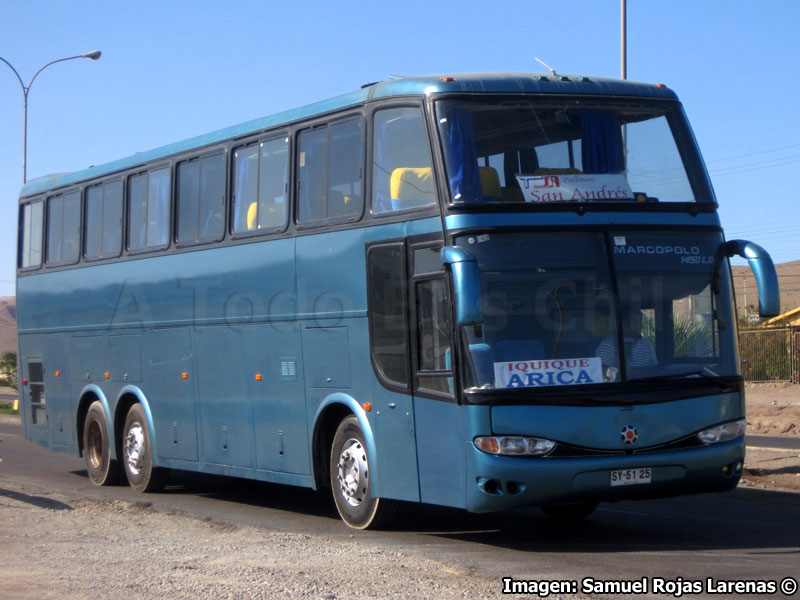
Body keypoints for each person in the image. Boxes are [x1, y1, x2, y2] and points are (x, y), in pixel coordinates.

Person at [595, 304, 657, 378]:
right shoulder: (608, 344)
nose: (639, 325)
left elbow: (655, 370)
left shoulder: (646, 344)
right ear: (623, 324)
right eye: (634, 322)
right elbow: (602, 373)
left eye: (640, 321)